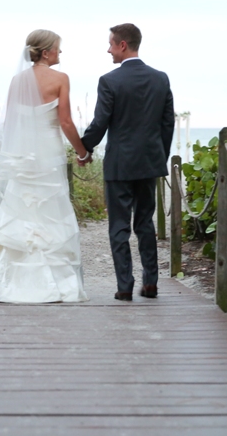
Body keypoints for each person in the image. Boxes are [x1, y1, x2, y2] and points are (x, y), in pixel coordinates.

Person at [0, 29, 90, 303]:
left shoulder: (17, 81)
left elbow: (11, 122)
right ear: (47, 51)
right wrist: (82, 151)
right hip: (48, 154)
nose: (60, 54)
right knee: (49, 209)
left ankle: (5, 282)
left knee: (20, 208)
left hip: (22, 156)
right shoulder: (61, 79)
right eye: (58, 49)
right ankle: (53, 283)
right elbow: (65, 123)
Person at [81, 23, 174, 301]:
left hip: (120, 165)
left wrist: (85, 149)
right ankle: (151, 284)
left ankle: (124, 286)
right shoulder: (161, 79)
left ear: (123, 45)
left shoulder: (110, 81)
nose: (108, 49)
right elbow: (167, 123)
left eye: (111, 43)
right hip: (149, 163)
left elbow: (100, 122)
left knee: (119, 226)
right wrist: (160, 155)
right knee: (145, 223)